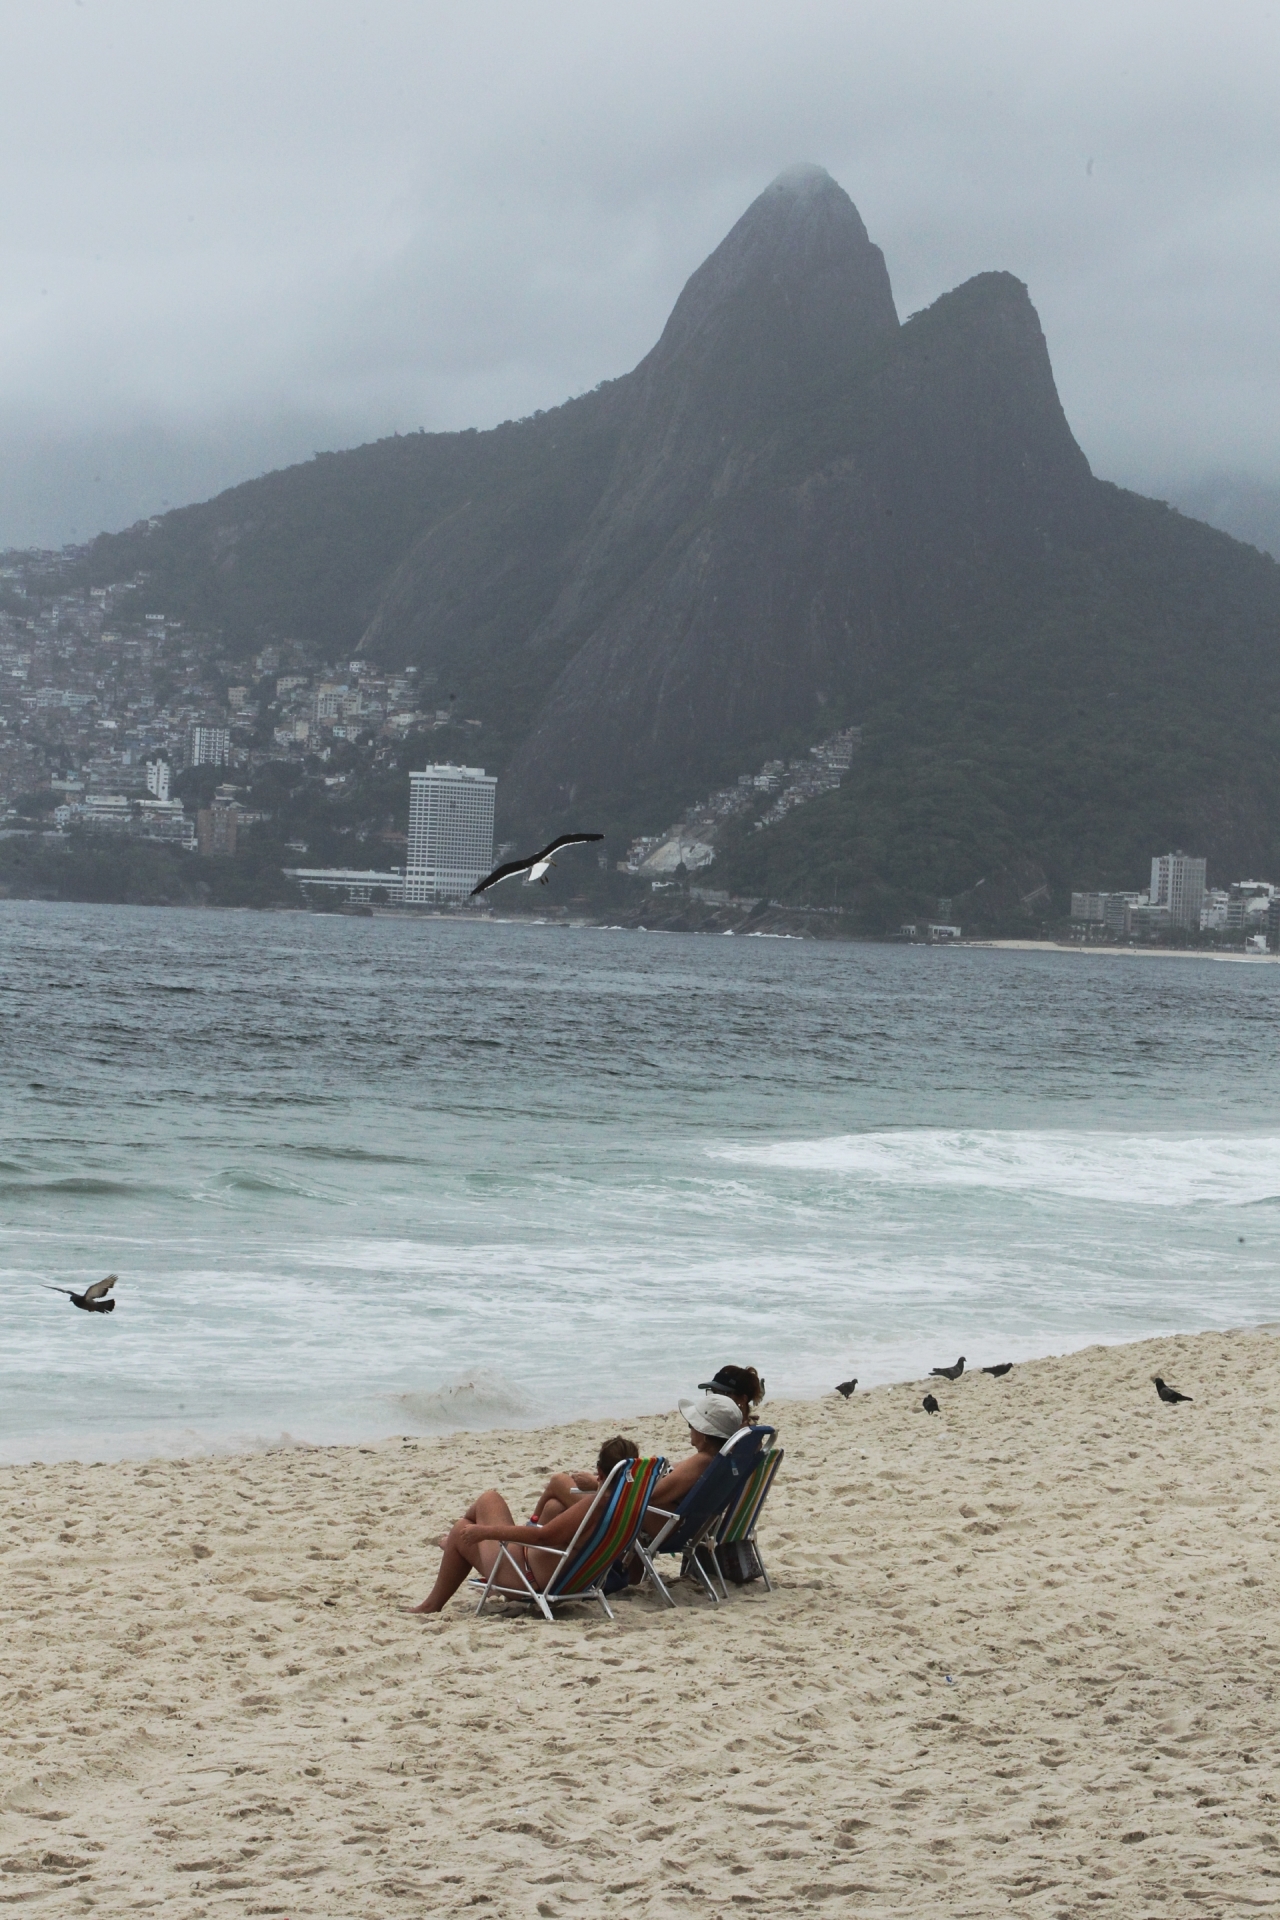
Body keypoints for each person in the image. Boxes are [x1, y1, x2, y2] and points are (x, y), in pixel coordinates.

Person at [405, 1394, 742, 1615]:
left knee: (469, 1522)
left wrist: (482, 1533)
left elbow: (545, 1538)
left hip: (529, 1579)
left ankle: (432, 1603)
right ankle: (456, 1548)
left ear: (600, 1474)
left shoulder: (603, 1504)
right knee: (529, 1504)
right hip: (565, 1573)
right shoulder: (621, 1504)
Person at [530, 1435, 638, 1524]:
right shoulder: (644, 1491)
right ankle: (533, 1527)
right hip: (627, 1520)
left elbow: (541, 1538)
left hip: (610, 1516)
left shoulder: (610, 1503)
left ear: (600, 1471)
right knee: (553, 1506)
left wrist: (597, 1484)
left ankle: (531, 1525)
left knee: (558, 1480)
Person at [698, 1365, 765, 1428]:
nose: (713, 1398)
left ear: (742, 1399)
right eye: (712, 1392)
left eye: (720, 1393)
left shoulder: (740, 1435)